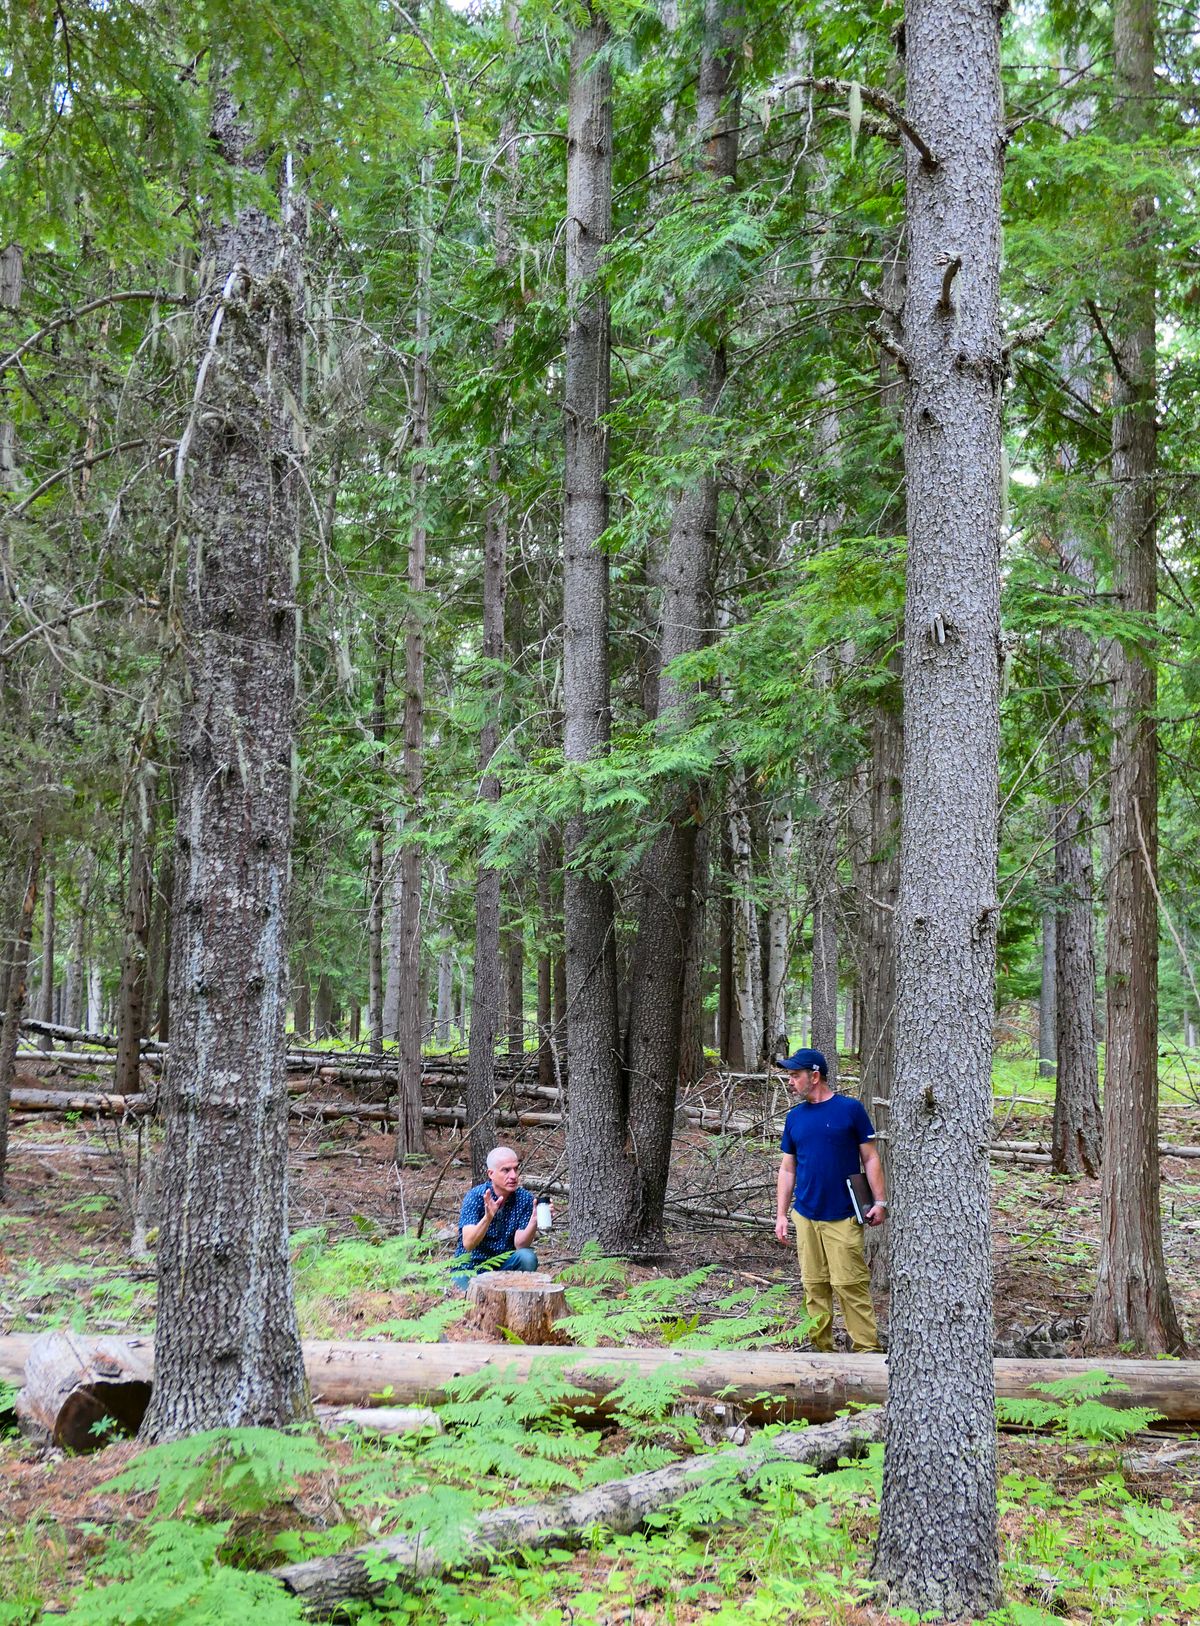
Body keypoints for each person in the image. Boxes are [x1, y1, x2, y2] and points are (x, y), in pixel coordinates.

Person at [773, 1047, 886, 1353]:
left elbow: (871, 1158)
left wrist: (880, 1202)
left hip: (843, 1215)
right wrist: (782, 1214)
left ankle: (866, 1353)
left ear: (815, 1076)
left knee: (850, 1286)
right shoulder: (795, 1118)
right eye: (790, 1076)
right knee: (814, 1286)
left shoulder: (850, 1110)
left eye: (795, 1075)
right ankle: (821, 1355)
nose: (790, 1081)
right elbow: (787, 1168)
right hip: (807, 1216)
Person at [453, 1146, 541, 1289]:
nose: (513, 1176)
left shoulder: (524, 1198)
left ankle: (516, 1298)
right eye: (506, 1170)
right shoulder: (475, 1196)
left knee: (528, 1257)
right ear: (491, 1173)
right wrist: (488, 1218)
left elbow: (520, 1245)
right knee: (467, 1298)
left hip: (505, 1265)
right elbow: (468, 1243)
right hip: (471, 1265)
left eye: (516, 1169)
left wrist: (534, 1221)